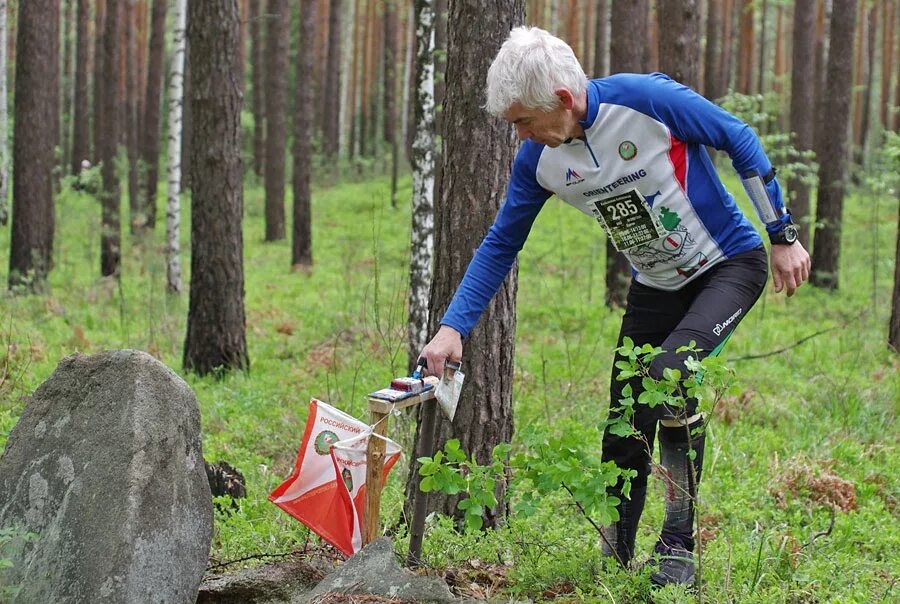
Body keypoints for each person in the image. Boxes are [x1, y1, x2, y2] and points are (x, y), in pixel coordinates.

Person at [418, 26, 810, 587]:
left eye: (523, 120)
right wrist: (455, 326)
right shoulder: (537, 161)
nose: (521, 134)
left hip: (727, 267)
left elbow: (737, 136)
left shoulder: (645, 100)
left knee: (668, 376)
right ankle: (616, 551)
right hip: (653, 286)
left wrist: (782, 233)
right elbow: (502, 242)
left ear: (561, 100)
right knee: (624, 419)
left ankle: (678, 548)